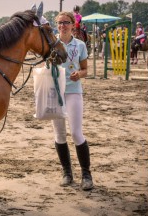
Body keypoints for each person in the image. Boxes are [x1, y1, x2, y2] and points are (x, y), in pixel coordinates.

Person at [53, 11, 93, 191]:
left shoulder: (80, 44)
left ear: (72, 25)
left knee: (76, 133)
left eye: (66, 22)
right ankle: (67, 173)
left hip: (73, 91)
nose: (63, 25)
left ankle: (86, 174)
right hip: (55, 93)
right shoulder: (51, 43)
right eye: (60, 23)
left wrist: (80, 74)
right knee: (60, 135)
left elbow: (85, 69)